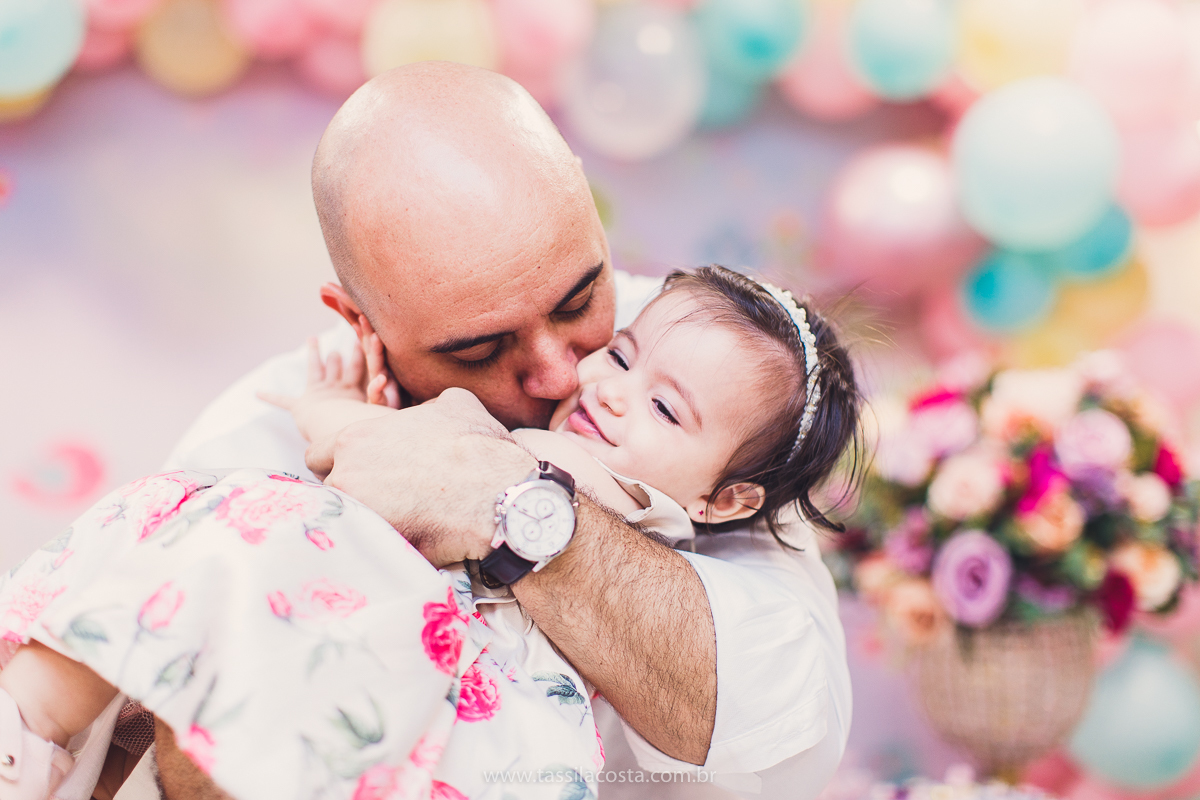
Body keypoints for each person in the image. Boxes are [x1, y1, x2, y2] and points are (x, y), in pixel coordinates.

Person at [4, 61, 855, 800]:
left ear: (584, 210)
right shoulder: (262, 424)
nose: (566, 374)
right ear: (360, 322)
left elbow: (785, 731)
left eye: (577, 301)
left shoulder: (692, 371)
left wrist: (504, 499)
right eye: (480, 348)